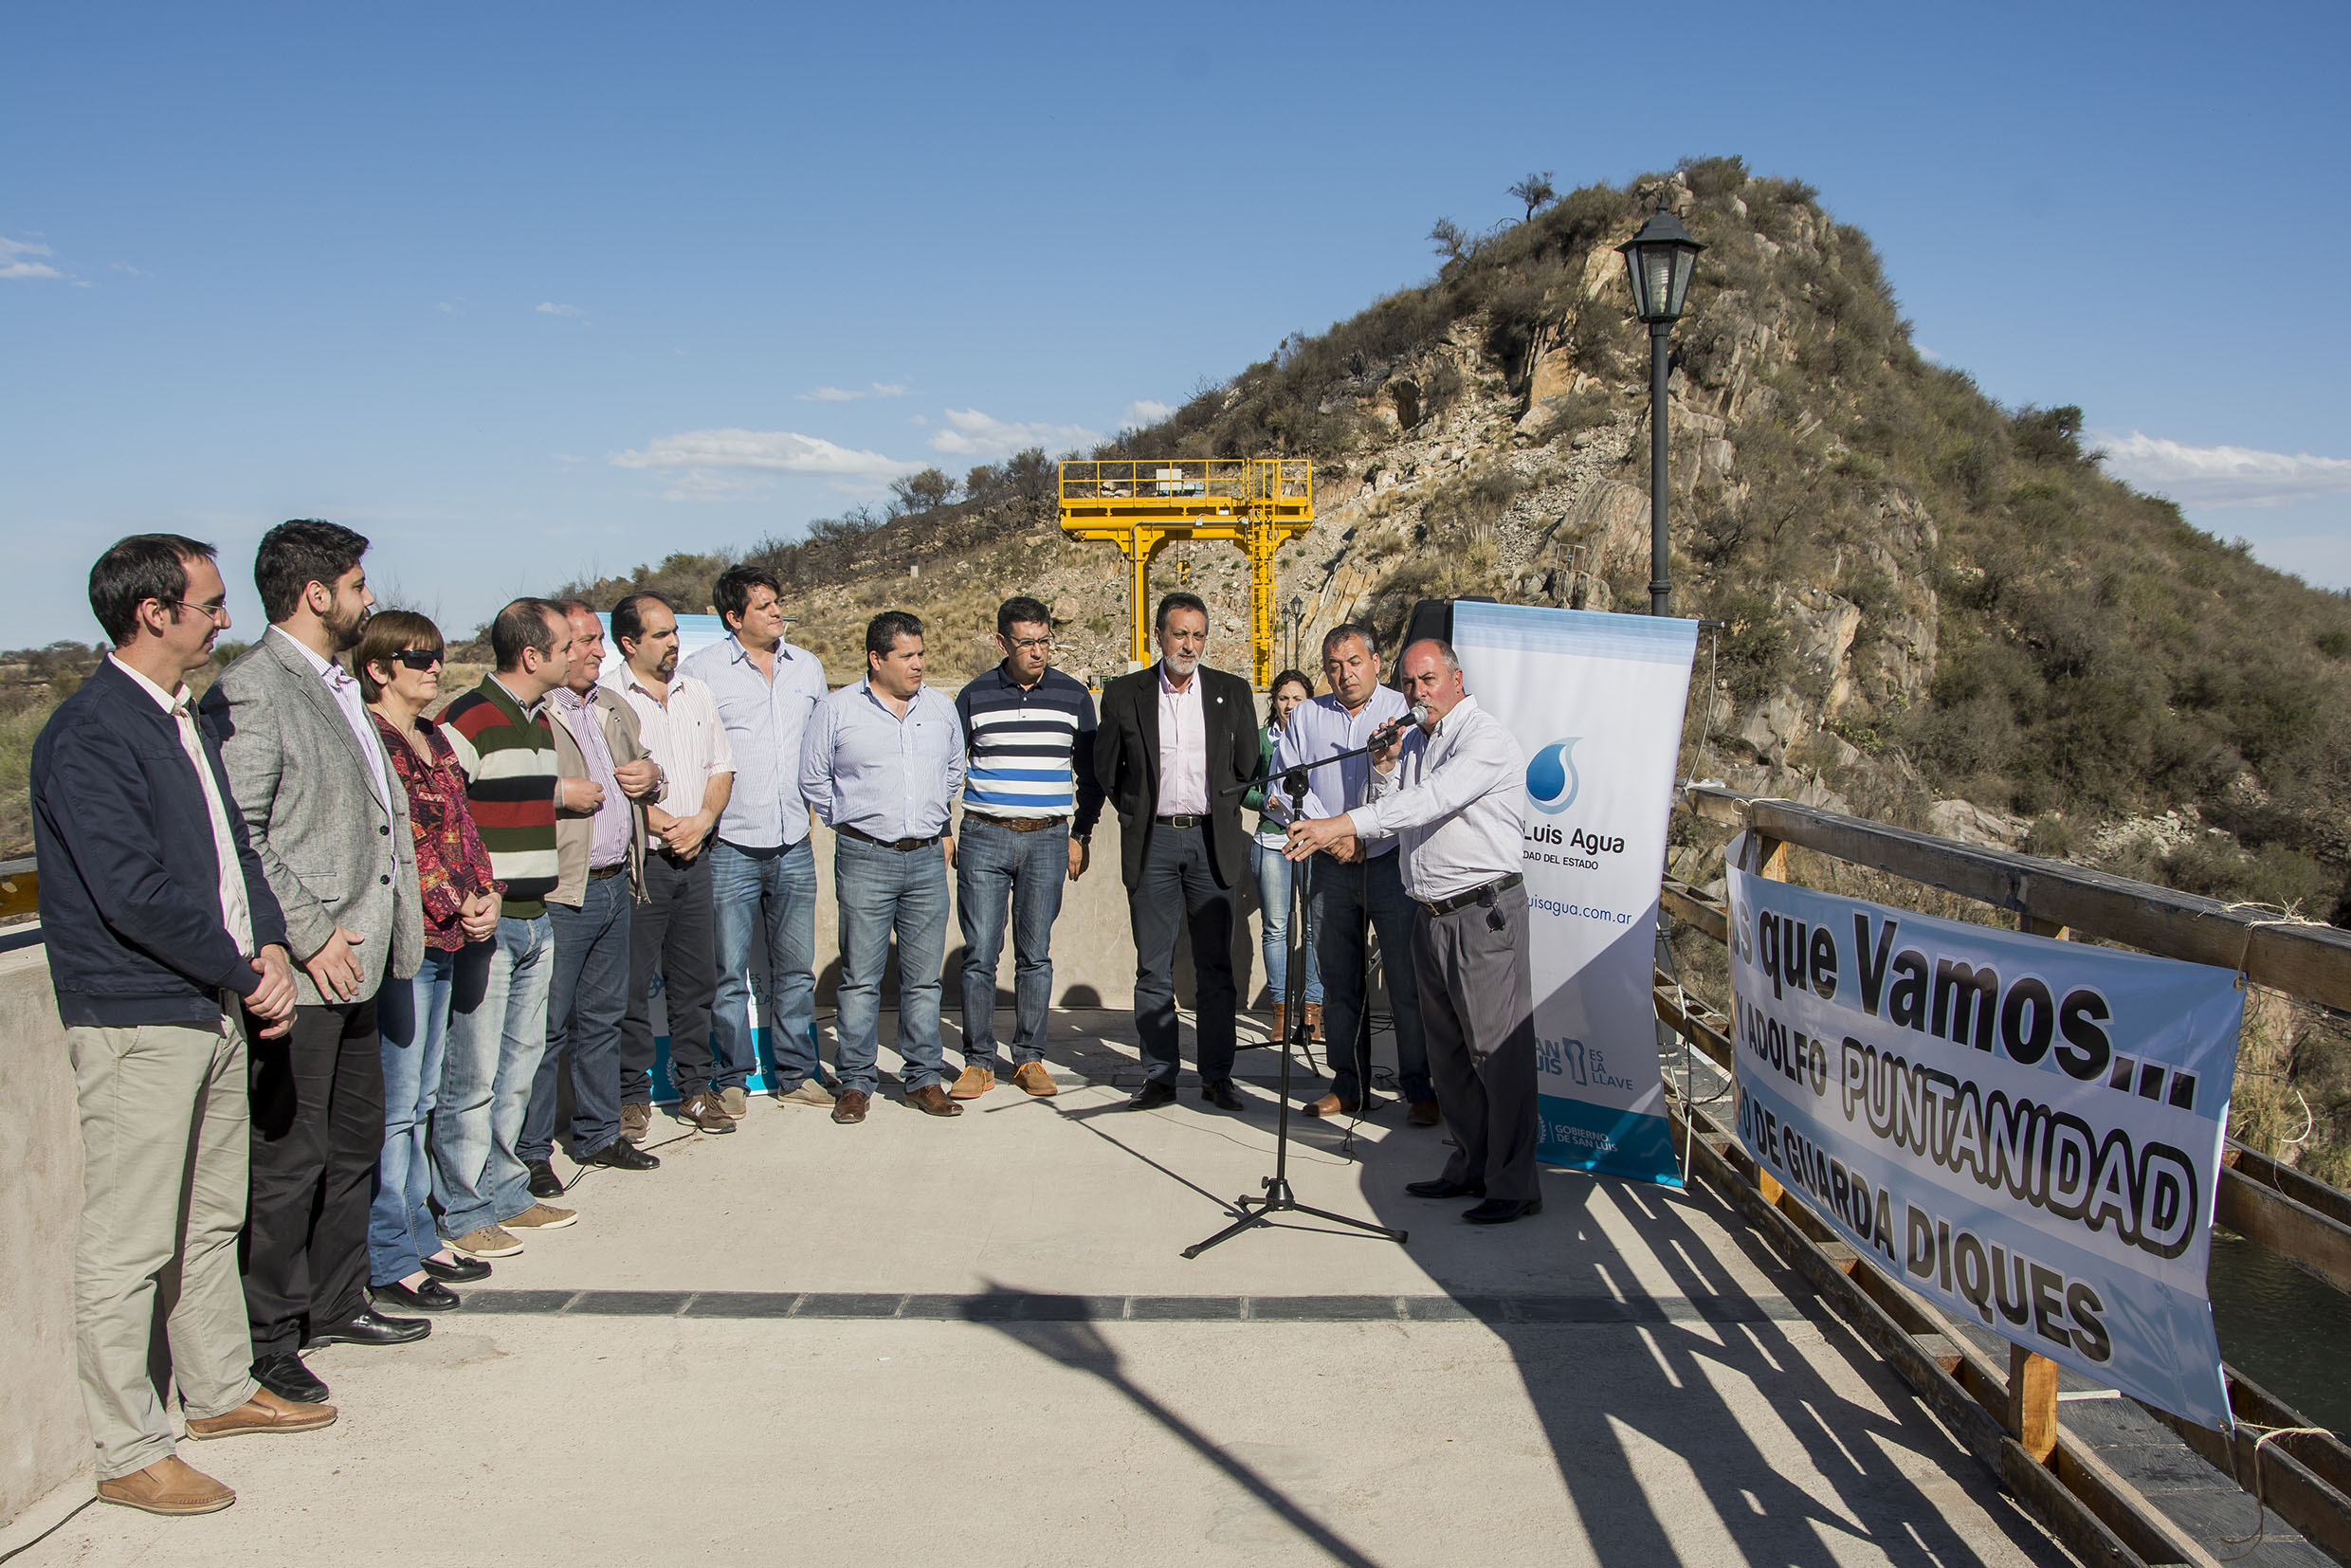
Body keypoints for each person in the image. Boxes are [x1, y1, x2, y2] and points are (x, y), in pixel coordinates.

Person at [32, 535, 325, 1518]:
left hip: (208, 1001)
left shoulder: (178, 719)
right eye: (208, 604)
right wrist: (241, 968)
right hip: (138, 1011)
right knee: (128, 1242)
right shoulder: (92, 730)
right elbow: (132, 891)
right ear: (153, 612)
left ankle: (218, 1389)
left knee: (209, 1218)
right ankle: (127, 1447)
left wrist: (272, 945)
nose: (223, 618)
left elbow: (231, 851)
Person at [202, 520, 429, 1408]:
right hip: (308, 971)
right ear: (317, 593)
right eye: (358, 583)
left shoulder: (334, 687)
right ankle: (271, 1337)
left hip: (363, 962)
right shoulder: (256, 690)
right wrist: (308, 932)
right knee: (290, 1160)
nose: (369, 597)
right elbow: (243, 837)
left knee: (352, 1143)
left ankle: (339, 1300)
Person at [1285, 639, 1540, 1224]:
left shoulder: (1486, 740)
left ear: (1455, 677)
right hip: (1430, 912)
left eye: (1426, 680)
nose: (1416, 693)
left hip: (1482, 914)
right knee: (1449, 1056)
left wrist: (1338, 824)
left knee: (1496, 1054)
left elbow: (1432, 802)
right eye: (1409, 683)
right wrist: (1382, 770)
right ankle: (1471, 1166)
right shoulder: (1419, 742)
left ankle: (1515, 1183)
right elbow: (1396, 808)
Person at [356, 611, 501, 1315]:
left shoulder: (436, 736)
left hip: (452, 936)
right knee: (398, 1105)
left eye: (437, 655)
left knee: (423, 1099)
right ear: (379, 667)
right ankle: (389, 1254)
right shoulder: (373, 741)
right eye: (417, 657)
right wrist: (453, 896)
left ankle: (420, 1235)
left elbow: (460, 826)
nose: (433, 667)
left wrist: (486, 892)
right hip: (407, 942)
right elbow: (401, 844)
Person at [435, 598, 579, 1258]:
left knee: (518, 1067)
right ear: (532, 655)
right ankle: (462, 1209)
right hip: (486, 926)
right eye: (564, 644)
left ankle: (506, 1193)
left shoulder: (537, 723)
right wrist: (470, 896)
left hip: (533, 917)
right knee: (473, 1075)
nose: (576, 653)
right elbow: (439, 822)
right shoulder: (467, 720)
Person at [1093, 592, 1259, 1112]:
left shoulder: (1231, 692)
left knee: (1216, 969)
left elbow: (1246, 764)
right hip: (1154, 841)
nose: (1189, 645)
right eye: (1179, 633)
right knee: (1153, 968)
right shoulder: (1125, 694)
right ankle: (1160, 1076)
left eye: (1198, 635)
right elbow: (1108, 769)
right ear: (1158, 635)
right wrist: (1142, 810)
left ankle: (1217, 1076)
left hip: (1213, 841)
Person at [799, 610, 963, 1124]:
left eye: (921, 654)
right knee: (860, 979)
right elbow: (813, 780)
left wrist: (932, 822)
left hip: (925, 859)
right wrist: (853, 823)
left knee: (922, 981)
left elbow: (953, 770)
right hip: (864, 857)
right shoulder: (838, 710)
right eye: (907, 656)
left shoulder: (939, 708)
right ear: (876, 659)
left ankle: (923, 1078)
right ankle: (855, 1082)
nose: (919, 665)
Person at [681, 565, 831, 1115]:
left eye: (777, 602)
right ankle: (731, 1077)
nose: (777, 612)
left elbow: (821, 748)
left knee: (795, 970)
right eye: (764, 606)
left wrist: (817, 807)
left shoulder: (808, 668)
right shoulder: (701, 672)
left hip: (793, 840)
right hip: (728, 847)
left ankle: (797, 1072)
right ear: (733, 617)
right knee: (726, 974)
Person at [521, 601, 662, 1191]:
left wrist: (652, 775)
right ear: (552, 646)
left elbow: (647, 775)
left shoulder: (613, 707)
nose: (598, 653)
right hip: (560, 892)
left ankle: (600, 1133)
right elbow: (491, 787)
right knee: (546, 1027)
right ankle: (530, 1153)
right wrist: (555, 793)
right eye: (583, 642)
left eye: (600, 641)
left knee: (603, 1018)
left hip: (615, 884)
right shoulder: (530, 714)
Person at [947, 594, 1103, 1101]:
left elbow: (1093, 773)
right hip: (984, 836)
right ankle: (977, 1062)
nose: (1037, 651)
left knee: (1035, 955)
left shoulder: (1074, 696)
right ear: (1002, 643)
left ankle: (1029, 1057)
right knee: (980, 954)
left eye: (1044, 641)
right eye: (1026, 642)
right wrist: (944, 830)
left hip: (1048, 840)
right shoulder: (972, 697)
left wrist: (1081, 833)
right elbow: (948, 767)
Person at [1279, 626, 1436, 1124]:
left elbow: (1419, 786)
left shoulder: (1405, 712)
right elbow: (1287, 786)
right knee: (1340, 983)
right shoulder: (1306, 716)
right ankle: (1349, 1084)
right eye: (1333, 666)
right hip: (1330, 866)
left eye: (1353, 662)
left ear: (1375, 660)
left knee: (1407, 983)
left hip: (1393, 862)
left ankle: (1420, 1088)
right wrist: (1333, 835)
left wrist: (1361, 836)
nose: (1344, 674)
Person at [607, 591, 735, 1137]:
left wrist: (702, 820)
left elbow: (721, 767)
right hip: (642, 863)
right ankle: (631, 1096)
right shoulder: (607, 698)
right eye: (659, 635)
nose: (673, 643)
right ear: (629, 642)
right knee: (632, 987)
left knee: (695, 982)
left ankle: (696, 1089)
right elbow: (615, 784)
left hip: (696, 857)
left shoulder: (696, 692)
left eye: (674, 633)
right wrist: (667, 826)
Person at [1243, 669, 1321, 1049]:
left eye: (1298, 698)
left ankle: (1312, 1011)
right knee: (1276, 927)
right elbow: (1244, 790)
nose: (1290, 706)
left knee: (1314, 928)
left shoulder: (1320, 738)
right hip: (1273, 842)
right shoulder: (1261, 741)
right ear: (1273, 701)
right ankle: (1279, 1010)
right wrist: (1265, 800)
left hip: (1313, 840)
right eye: (1283, 698)